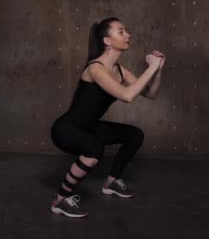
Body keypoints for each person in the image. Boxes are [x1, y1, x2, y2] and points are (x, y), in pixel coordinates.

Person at [50, 17, 165, 218]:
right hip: (66, 130)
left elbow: (151, 94)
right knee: (95, 149)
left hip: (90, 127)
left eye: (126, 30)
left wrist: (158, 71)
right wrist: (151, 68)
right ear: (107, 41)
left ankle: (111, 182)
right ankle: (60, 200)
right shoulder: (96, 68)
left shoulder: (120, 71)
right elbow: (127, 96)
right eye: (121, 31)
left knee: (135, 135)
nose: (128, 35)